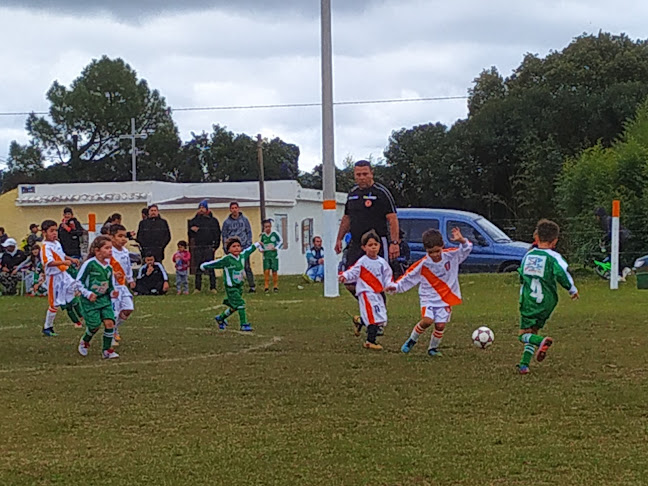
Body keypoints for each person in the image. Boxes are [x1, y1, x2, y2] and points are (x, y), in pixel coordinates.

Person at [335, 160, 400, 330]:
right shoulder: (352, 194)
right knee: (349, 281)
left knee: (377, 283)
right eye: (358, 174)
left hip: (376, 243)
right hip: (356, 244)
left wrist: (394, 242)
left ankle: (378, 321)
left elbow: (392, 219)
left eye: (365, 174)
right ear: (354, 176)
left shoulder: (381, 193)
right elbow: (347, 218)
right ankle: (369, 310)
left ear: (372, 173)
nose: (362, 177)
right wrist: (339, 238)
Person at [393, 227, 473, 357]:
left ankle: (432, 348)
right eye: (431, 252)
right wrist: (395, 287)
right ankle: (412, 340)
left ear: (442, 246)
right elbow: (409, 277)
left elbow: (466, 249)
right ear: (426, 251)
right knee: (427, 321)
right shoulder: (423, 264)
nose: (435, 255)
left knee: (440, 325)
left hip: (445, 297)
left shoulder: (451, 256)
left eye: (437, 251)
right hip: (428, 296)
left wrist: (462, 240)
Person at [516, 219, 579, 375]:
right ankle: (524, 364)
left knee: (523, 335)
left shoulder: (528, 256)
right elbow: (563, 274)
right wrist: (572, 289)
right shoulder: (555, 257)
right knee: (533, 330)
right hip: (547, 302)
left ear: (536, 237)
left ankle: (540, 342)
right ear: (555, 240)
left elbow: (522, 276)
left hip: (529, 301)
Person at [339, 231, 394, 351]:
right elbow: (353, 271)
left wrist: (390, 285)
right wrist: (345, 276)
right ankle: (370, 341)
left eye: (375, 244)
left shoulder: (382, 262)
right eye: (370, 245)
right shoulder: (362, 262)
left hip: (378, 292)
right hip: (366, 292)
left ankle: (359, 321)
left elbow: (387, 276)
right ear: (364, 247)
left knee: (381, 317)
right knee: (373, 317)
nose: (373, 247)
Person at [201, 237, 262, 332]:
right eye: (234, 246)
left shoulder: (242, 256)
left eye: (238, 246)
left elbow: (249, 250)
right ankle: (244, 324)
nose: (237, 248)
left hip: (239, 286)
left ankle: (220, 318)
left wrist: (257, 244)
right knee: (241, 304)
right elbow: (216, 263)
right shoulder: (227, 259)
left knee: (234, 307)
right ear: (228, 249)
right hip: (231, 287)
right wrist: (204, 266)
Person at [76, 236, 120, 360]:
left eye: (111, 248)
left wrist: (113, 292)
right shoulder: (89, 264)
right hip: (90, 301)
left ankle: (107, 351)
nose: (110, 251)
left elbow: (110, 285)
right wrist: (88, 293)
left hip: (104, 300)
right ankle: (85, 341)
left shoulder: (109, 267)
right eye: (107, 248)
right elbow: (78, 282)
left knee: (109, 323)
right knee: (94, 326)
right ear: (97, 250)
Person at [40, 220, 85, 336]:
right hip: (53, 277)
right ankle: (47, 327)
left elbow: (61, 255)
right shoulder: (45, 247)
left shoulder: (56, 243)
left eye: (55, 230)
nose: (54, 233)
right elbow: (48, 262)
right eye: (51, 231)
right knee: (54, 304)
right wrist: (64, 262)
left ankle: (81, 315)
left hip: (63, 274)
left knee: (76, 288)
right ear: (44, 232)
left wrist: (70, 259)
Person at [109, 224, 136, 345]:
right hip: (112, 286)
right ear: (112, 237)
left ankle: (115, 328)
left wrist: (130, 279)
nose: (123, 239)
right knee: (114, 312)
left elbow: (128, 266)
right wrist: (112, 273)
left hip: (122, 285)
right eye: (120, 236)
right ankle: (110, 336)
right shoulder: (108, 251)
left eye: (124, 236)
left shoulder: (125, 251)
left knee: (128, 308)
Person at [221, 201, 256, 292]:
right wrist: (226, 247)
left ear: (238, 208)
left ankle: (252, 286)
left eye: (236, 208)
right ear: (230, 210)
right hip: (232, 249)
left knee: (246, 267)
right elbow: (224, 235)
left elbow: (248, 232)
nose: (234, 210)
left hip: (243, 247)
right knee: (233, 268)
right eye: (232, 208)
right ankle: (234, 285)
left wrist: (248, 244)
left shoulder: (244, 220)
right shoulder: (226, 222)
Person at [189, 200, 222, 294]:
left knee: (211, 268)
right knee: (198, 268)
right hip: (198, 246)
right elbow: (190, 232)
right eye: (200, 208)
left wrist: (215, 246)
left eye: (203, 208)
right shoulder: (195, 220)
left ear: (207, 209)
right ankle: (197, 288)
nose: (201, 210)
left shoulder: (213, 221)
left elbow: (217, 234)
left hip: (209, 247)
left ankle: (213, 287)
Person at [594, 207, 632, 279]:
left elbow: (610, 232)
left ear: (599, 215)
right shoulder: (607, 219)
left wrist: (604, 239)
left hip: (621, 238)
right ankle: (623, 270)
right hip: (622, 237)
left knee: (613, 255)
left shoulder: (606, 221)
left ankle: (619, 273)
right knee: (615, 255)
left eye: (596, 216)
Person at [260, 219, 282, 293]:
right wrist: (261, 249)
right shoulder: (262, 235)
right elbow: (259, 244)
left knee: (274, 271)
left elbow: (281, 241)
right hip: (266, 256)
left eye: (269, 226)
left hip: (274, 256)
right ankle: (266, 286)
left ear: (271, 226)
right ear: (264, 227)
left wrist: (276, 247)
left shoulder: (274, 234)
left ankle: (275, 286)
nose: (267, 228)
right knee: (266, 271)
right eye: (266, 227)